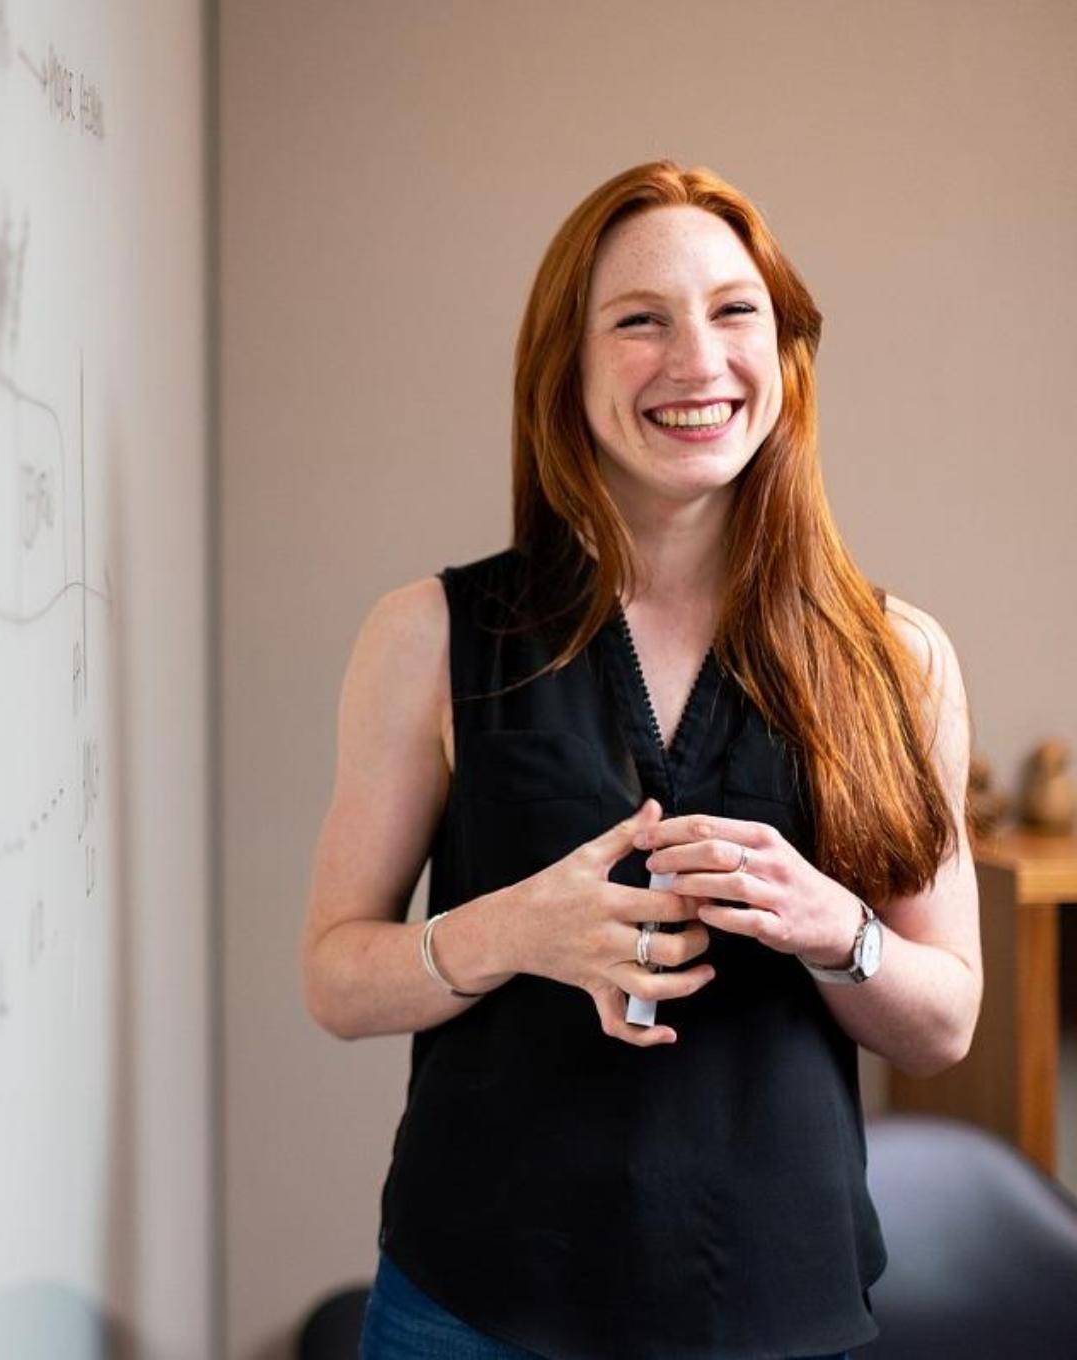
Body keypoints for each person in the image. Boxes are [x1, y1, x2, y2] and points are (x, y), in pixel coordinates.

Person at [301, 160, 980, 1359]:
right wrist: (509, 932)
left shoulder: (900, 658)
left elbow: (943, 1021)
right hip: (473, 1310)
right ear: (564, 365)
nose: (696, 360)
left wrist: (836, 928)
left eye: (733, 312)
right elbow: (336, 977)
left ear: (785, 353)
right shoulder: (427, 635)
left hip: (779, 1311)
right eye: (639, 321)